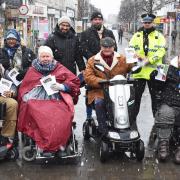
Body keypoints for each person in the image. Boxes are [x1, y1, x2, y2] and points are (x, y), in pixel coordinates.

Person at [18, 46, 80, 151]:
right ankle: (45, 143)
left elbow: (74, 82)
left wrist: (62, 86)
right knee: (28, 107)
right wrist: (35, 88)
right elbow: (24, 88)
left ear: (52, 57)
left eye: (47, 56)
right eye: (43, 56)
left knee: (63, 114)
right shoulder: (32, 70)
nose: (45, 58)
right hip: (36, 100)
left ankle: (59, 143)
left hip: (57, 99)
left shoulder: (59, 68)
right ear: (38, 57)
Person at [84, 37, 133, 135]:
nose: (107, 49)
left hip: (119, 90)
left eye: (110, 47)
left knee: (130, 103)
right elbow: (88, 77)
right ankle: (103, 130)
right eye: (105, 47)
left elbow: (132, 67)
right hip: (99, 91)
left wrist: (135, 60)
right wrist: (103, 81)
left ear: (114, 47)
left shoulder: (122, 58)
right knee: (99, 103)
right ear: (101, 47)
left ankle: (128, 125)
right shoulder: (92, 60)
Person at [0, 29, 35, 147]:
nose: (11, 41)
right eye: (9, 39)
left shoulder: (26, 51)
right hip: (6, 85)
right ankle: (12, 137)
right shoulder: (1, 52)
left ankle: (27, 134)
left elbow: (33, 66)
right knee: (11, 108)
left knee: (25, 108)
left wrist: (24, 72)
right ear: (5, 40)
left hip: (24, 83)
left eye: (13, 39)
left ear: (18, 40)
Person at [80, 11, 117, 121]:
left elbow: (115, 49)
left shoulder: (109, 32)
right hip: (92, 66)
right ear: (91, 21)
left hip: (108, 67)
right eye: (95, 19)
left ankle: (108, 115)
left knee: (108, 91)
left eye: (99, 19)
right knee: (90, 92)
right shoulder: (85, 33)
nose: (97, 21)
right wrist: (95, 60)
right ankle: (89, 116)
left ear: (102, 21)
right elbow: (83, 49)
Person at [129, 13, 166, 118]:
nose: (147, 24)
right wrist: (137, 56)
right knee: (136, 98)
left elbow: (161, 51)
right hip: (139, 71)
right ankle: (132, 121)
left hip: (156, 71)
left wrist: (149, 60)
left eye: (149, 22)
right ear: (142, 23)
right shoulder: (136, 35)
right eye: (145, 22)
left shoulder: (159, 36)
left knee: (157, 98)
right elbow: (130, 50)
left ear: (152, 23)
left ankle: (158, 122)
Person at [155, 56, 180, 163]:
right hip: (170, 101)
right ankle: (163, 143)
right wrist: (157, 74)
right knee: (165, 113)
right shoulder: (166, 69)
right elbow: (157, 86)